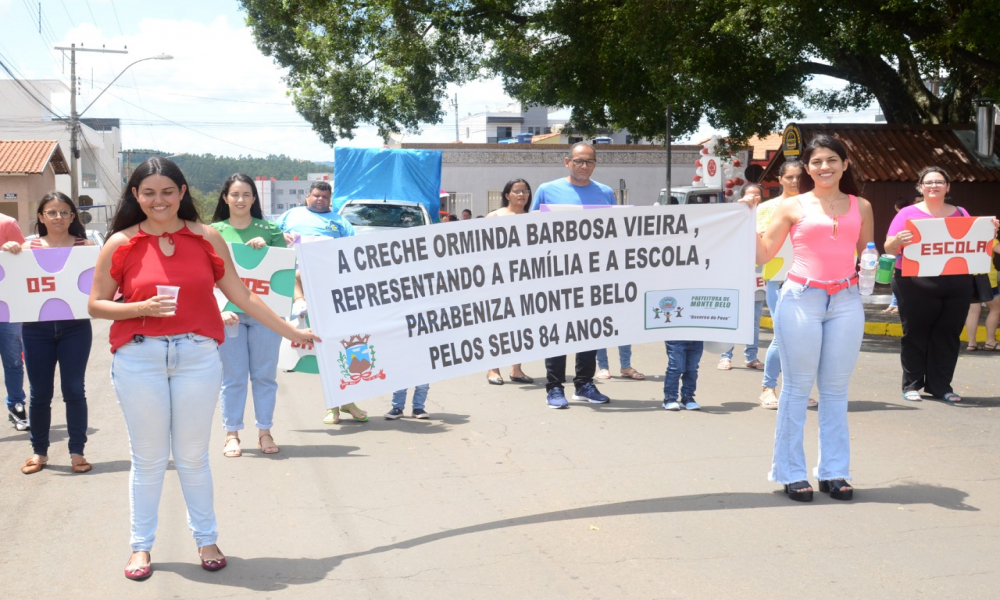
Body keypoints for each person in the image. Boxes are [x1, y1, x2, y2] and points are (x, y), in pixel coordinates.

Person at [88, 158, 318, 581]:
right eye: (149, 193)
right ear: (136, 196)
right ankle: (141, 546)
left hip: (197, 356)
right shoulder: (120, 242)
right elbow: (96, 304)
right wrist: (139, 307)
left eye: (168, 191)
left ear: (183, 192)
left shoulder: (207, 237)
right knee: (150, 458)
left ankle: (206, 538)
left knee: (194, 457)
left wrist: (292, 331)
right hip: (139, 357)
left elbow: (243, 297)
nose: (159, 200)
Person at [750, 134, 874, 503]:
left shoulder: (861, 205)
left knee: (836, 391)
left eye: (832, 160)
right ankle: (791, 473)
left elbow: (868, 252)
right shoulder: (792, 206)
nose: (825, 167)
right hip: (801, 297)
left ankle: (835, 472)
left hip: (847, 299)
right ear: (807, 168)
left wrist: (875, 265)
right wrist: (743, 219)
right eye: (817, 162)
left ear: (845, 164)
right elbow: (764, 253)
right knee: (797, 388)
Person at [884, 167, 997, 402]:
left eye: (939, 181)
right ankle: (912, 385)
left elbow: (975, 243)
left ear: (948, 186)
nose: (934, 185)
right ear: (920, 187)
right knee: (915, 333)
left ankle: (941, 386)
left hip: (956, 282)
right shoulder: (906, 214)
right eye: (928, 182)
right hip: (913, 282)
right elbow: (889, 248)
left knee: (948, 334)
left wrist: (989, 230)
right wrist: (896, 241)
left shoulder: (962, 213)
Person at [5, 193, 95, 474]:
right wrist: (8, 251)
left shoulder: (86, 247)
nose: (58, 217)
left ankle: (77, 452)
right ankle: (39, 452)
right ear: (41, 217)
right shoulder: (25, 248)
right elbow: (11, 280)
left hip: (76, 328)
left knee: (73, 390)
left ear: (73, 216)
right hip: (35, 330)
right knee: (40, 393)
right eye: (52, 212)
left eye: (65, 212)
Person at [532, 142, 615, 409]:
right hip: (556, 275)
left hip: (593, 275)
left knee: (590, 332)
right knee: (558, 331)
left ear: (595, 164)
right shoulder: (548, 190)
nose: (583, 166)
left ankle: (584, 384)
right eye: (578, 161)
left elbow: (616, 232)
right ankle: (555, 387)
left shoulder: (606, 193)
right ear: (567, 162)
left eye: (589, 162)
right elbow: (530, 229)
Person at [277, 181, 368, 425]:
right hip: (300, 297)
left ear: (330, 200)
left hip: (332, 293)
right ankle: (335, 405)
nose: (320, 199)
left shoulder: (340, 223)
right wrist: (279, 238)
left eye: (324, 197)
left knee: (343, 348)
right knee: (319, 354)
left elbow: (354, 252)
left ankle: (344, 401)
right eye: (316, 195)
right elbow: (270, 239)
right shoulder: (290, 216)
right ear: (307, 197)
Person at [211, 174, 287, 457]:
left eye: (246, 194)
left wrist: (266, 251)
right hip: (228, 316)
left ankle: (265, 431)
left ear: (254, 198)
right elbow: (204, 275)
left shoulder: (271, 230)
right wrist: (218, 309)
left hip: (265, 315)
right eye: (234, 194)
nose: (240, 200)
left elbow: (284, 273)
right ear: (225, 197)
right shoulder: (212, 231)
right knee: (233, 377)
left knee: (265, 376)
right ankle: (232, 434)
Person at [757, 162, 815, 409]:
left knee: (805, 339)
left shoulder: (815, 205)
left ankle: (797, 390)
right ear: (779, 179)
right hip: (779, 278)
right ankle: (768, 388)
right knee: (782, 337)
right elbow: (761, 241)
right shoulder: (767, 208)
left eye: (799, 177)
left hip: (812, 280)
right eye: (789, 177)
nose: (794, 181)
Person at [484, 179, 535, 385]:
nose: (522, 195)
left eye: (525, 191)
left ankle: (517, 369)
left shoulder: (532, 219)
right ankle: (493, 369)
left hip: (523, 280)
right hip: (498, 279)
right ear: (507, 195)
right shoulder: (494, 216)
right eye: (517, 191)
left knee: (520, 326)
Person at [719, 183, 766, 372]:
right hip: (737, 275)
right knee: (733, 317)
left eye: (757, 195)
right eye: (749, 195)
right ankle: (725, 356)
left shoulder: (766, 215)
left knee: (754, 320)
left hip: (758, 274)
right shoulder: (735, 214)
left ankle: (752, 357)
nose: (753, 198)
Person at [0, 212, 28, 431]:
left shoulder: (6, 223)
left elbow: (27, 264)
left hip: (8, 309)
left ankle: (17, 406)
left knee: (13, 361)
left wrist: (16, 250)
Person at [964, 240, 1000, 351]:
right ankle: (990, 341)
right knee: (996, 309)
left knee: (973, 311)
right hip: (986, 278)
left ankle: (972, 343)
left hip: (969, 277)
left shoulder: (968, 238)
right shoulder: (990, 239)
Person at [883, 197, 916, 315]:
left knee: (895, 277)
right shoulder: (907, 214)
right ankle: (894, 304)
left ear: (896, 207)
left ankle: (895, 304)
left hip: (900, 252)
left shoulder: (902, 215)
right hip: (902, 252)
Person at [662, 340, 703, 411]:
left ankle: (687, 397)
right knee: (676, 368)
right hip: (676, 338)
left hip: (696, 338)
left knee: (692, 369)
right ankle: (669, 398)